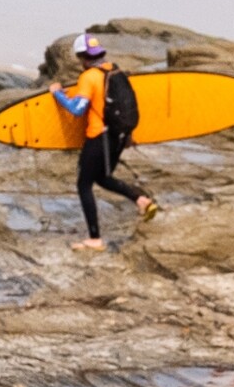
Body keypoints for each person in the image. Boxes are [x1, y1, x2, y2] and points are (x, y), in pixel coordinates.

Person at [49, 33, 158, 252]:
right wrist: (128, 135)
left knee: (84, 185)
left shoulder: (89, 77)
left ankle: (95, 239)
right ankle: (142, 200)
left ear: (82, 56)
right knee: (102, 177)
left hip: (99, 137)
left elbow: (77, 110)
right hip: (118, 134)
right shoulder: (114, 69)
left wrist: (58, 94)